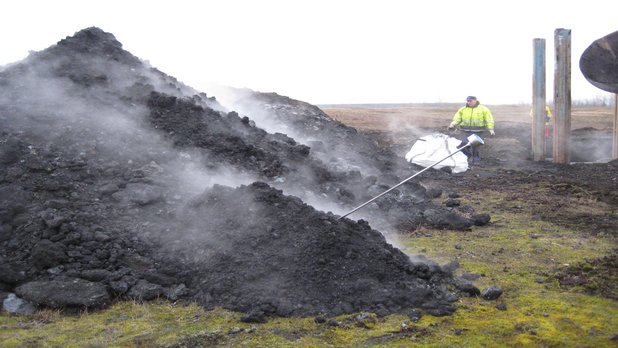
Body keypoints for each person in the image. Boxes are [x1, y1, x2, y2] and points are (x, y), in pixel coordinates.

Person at [448, 96, 494, 164]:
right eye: (468, 101)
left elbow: (489, 120)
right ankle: (467, 158)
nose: (469, 102)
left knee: (475, 146)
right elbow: (457, 118)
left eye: (470, 101)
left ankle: (476, 160)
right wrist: (452, 124)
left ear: (475, 100)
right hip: (465, 130)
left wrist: (491, 130)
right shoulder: (463, 109)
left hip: (478, 131)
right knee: (463, 144)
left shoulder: (483, 109)